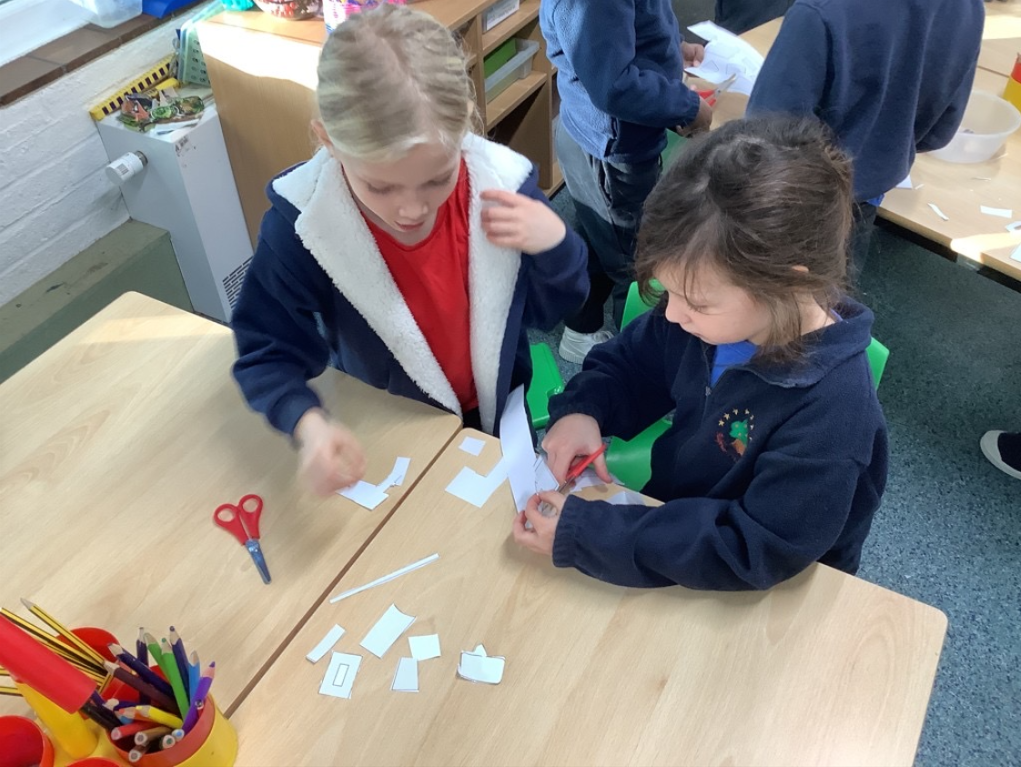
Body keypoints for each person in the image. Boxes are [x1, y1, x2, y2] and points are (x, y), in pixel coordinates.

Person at [512, 116, 888, 591]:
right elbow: (632, 367)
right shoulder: (707, 315)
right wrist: (584, 409)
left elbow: (752, 549)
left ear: (785, 285)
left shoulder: (835, 416)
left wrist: (589, 534)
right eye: (670, 292)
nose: (672, 314)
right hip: (674, 528)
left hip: (760, 584)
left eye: (696, 302)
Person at [230, 5, 588, 496]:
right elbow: (266, 349)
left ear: (463, 130)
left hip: (497, 420)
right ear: (328, 141)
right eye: (380, 187)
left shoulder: (502, 189)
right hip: (393, 426)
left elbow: (550, 312)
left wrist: (556, 247)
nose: (412, 210)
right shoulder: (304, 225)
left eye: (437, 179)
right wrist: (306, 422)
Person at [746, 0, 984, 277]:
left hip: (789, 200)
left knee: (768, 288)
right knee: (834, 287)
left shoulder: (818, 12)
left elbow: (766, 135)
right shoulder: (968, 7)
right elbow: (939, 132)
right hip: (864, 194)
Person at [540, 0, 713, 364]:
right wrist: (687, 107)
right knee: (634, 261)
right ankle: (633, 364)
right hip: (611, 148)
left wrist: (671, 47)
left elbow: (635, 21)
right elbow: (614, 86)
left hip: (601, 139)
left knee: (600, 233)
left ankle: (581, 327)